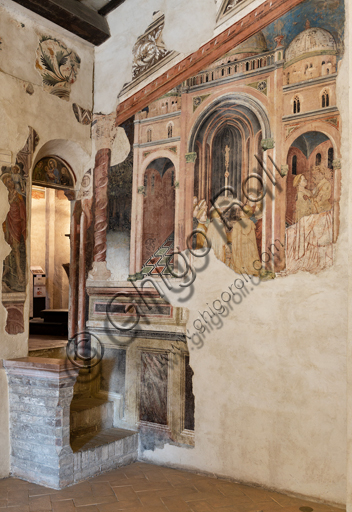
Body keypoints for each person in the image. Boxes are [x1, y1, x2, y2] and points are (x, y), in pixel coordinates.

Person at [1, 173, 26, 285]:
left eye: (11, 181)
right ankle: (6, 269)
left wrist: (17, 200)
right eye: (8, 182)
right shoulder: (3, 195)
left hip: (16, 222)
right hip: (6, 221)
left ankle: (19, 272)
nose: (11, 183)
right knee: (5, 245)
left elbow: (22, 209)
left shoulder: (18, 194)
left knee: (16, 247)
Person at [230, 205, 260, 276]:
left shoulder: (237, 224)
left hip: (240, 247)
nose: (240, 212)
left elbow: (233, 238)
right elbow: (253, 240)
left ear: (243, 213)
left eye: (241, 211)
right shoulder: (251, 223)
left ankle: (242, 268)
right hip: (249, 247)